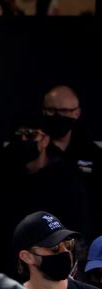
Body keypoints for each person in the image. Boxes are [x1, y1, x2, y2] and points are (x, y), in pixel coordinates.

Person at [0, 114, 93, 272]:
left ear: (45, 140)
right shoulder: (4, 177)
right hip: (10, 266)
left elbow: (77, 232)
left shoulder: (66, 180)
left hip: (48, 266)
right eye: (20, 135)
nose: (24, 140)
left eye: (31, 134)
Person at [42, 85, 102, 221]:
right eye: (51, 110)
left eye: (64, 111)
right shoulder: (35, 152)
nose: (57, 116)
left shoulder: (92, 153)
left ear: (76, 113)